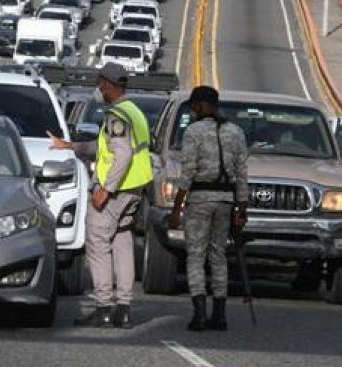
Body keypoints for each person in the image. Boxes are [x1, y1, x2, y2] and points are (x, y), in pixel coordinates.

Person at [47, 62, 153, 329]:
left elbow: (123, 154)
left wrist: (106, 188)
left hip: (116, 190)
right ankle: (124, 308)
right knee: (122, 241)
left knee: (97, 244)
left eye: (99, 84)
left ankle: (104, 307)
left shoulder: (116, 115)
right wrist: (70, 145)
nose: (98, 89)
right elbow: (105, 146)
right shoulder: (134, 111)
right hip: (134, 189)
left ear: (107, 84)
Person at [168, 86, 249, 332]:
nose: (193, 111)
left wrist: (177, 207)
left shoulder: (193, 132)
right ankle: (220, 315)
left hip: (200, 200)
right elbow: (242, 172)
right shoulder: (235, 131)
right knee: (218, 256)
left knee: (195, 255)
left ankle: (200, 314)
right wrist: (242, 207)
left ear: (202, 106)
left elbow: (188, 171)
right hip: (226, 200)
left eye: (194, 106)